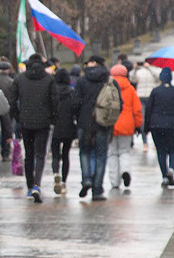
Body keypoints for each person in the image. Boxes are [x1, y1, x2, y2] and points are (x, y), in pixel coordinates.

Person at [8, 54, 57, 203]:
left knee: (28, 154)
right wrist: (52, 119)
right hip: (43, 122)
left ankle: (30, 186)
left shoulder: (20, 79)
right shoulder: (49, 79)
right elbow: (54, 101)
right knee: (40, 154)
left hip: (26, 122)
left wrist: (19, 117)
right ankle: (37, 184)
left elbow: (11, 101)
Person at [73, 56, 118, 202]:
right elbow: (118, 104)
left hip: (84, 123)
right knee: (100, 155)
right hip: (103, 123)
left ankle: (86, 179)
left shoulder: (81, 81)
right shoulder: (109, 81)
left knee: (85, 152)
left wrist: (79, 117)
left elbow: (75, 103)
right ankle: (97, 189)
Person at [142, 68, 174, 187]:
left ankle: (164, 177)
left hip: (156, 125)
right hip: (172, 125)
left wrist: (145, 129)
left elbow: (148, 110)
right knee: (173, 149)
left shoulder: (155, 91)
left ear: (161, 78)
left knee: (161, 151)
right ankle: (171, 169)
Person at [107, 64, 142, 190]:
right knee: (124, 151)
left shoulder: (108, 88)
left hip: (111, 123)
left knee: (112, 153)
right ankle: (125, 171)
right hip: (127, 124)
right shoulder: (130, 89)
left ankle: (114, 181)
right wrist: (138, 125)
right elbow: (137, 109)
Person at [50, 69, 77, 195]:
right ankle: (64, 182)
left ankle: (56, 173)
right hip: (68, 127)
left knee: (55, 154)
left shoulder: (52, 91)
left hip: (54, 126)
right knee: (66, 155)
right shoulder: (71, 92)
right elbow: (76, 107)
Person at [130, 59, 159, 152]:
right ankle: (145, 142)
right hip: (141, 97)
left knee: (153, 121)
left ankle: (155, 142)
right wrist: (135, 69)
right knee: (142, 121)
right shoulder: (139, 72)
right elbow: (133, 79)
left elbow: (158, 78)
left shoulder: (154, 70)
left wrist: (149, 68)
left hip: (152, 97)